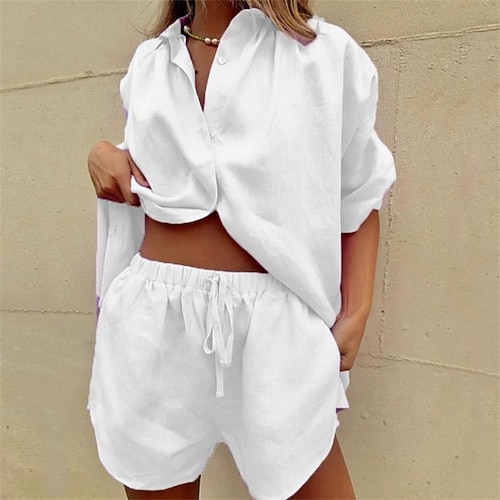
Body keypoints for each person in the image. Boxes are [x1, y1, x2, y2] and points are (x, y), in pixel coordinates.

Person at [86, 0, 396, 498]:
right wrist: (105, 154)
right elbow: (169, 161)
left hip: (278, 331)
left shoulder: (325, 54)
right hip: (153, 325)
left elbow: (358, 193)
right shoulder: (150, 62)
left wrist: (356, 312)